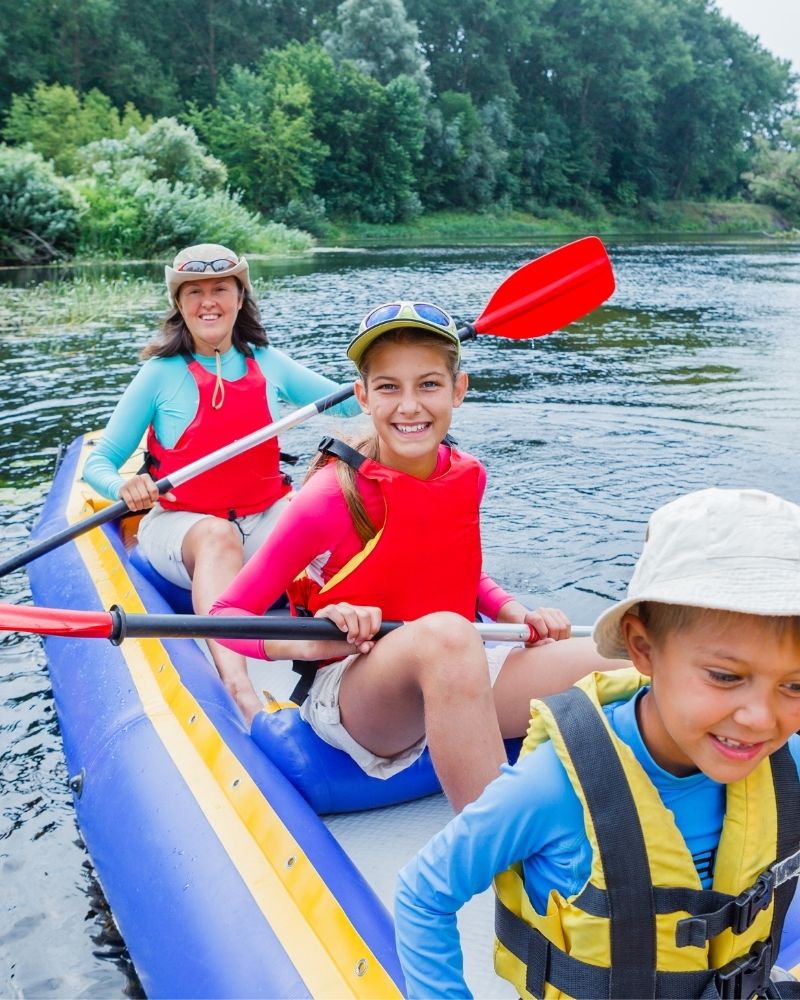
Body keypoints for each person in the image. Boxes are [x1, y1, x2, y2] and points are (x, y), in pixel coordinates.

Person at [394, 487, 800, 1000]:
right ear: (642, 648)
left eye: (795, 685)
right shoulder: (555, 787)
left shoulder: (785, 765)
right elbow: (422, 895)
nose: (761, 718)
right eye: (724, 676)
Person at [209, 300, 615, 812]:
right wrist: (308, 646)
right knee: (448, 634)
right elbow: (225, 618)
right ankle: (504, 866)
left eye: (428, 384)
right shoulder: (330, 496)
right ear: (362, 396)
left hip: (459, 662)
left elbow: (455, 569)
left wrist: (514, 612)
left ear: (457, 391)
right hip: (359, 692)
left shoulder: (466, 473)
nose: (409, 405)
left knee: (622, 656)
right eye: (388, 387)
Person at [83, 243, 360, 723]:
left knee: (331, 519)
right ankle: (240, 690)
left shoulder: (269, 363)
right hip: (183, 526)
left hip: (264, 516)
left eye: (219, 289)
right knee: (219, 535)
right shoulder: (158, 374)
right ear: (180, 305)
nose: (207, 301)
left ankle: (359, 650)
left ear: (239, 299)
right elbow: (100, 463)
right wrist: (124, 489)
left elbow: (350, 405)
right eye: (194, 293)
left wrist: (388, 379)